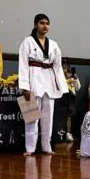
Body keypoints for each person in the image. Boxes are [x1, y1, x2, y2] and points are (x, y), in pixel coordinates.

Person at [19, 13, 68, 156]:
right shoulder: (27, 42)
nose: (45, 26)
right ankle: (30, 148)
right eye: (42, 23)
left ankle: (46, 146)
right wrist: (24, 87)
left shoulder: (53, 44)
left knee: (48, 116)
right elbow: (23, 64)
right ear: (35, 25)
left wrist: (60, 85)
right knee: (31, 116)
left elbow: (57, 66)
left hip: (48, 80)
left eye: (47, 23)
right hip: (33, 78)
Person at [62, 60, 81, 141]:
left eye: (66, 68)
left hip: (71, 99)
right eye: (63, 68)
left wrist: (75, 78)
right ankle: (60, 132)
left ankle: (68, 133)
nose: (65, 70)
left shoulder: (72, 78)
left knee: (69, 117)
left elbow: (78, 88)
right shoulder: (58, 78)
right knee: (60, 117)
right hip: (61, 99)